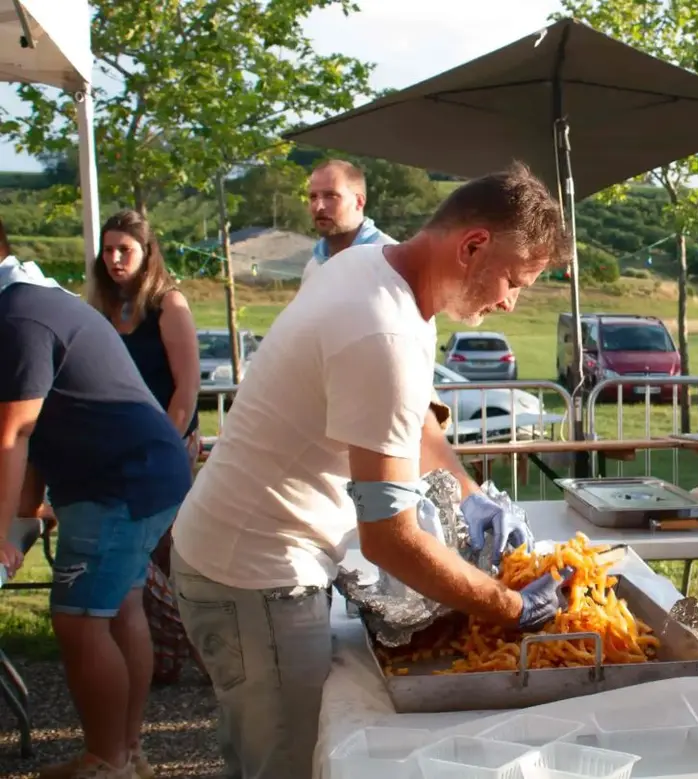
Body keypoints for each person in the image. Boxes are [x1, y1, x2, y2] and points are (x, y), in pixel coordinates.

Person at [170, 162, 572, 778]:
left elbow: (414, 420)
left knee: (260, 750)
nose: (509, 301)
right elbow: (391, 539)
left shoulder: (380, 267)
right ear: (472, 247)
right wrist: (508, 608)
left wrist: (470, 495)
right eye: (515, 281)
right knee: (287, 763)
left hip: (242, 555)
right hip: (252, 571)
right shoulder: (379, 329)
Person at [0, 219, 193, 779]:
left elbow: (13, 433)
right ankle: (126, 754)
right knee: (117, 608)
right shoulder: (32, 301)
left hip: (120, 482)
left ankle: (106, 760)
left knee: (81, 621)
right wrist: (25, 508)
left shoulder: (19, 316)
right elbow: (39, 425)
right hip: (140, 474)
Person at [90, 209, 203, 690]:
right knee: (146, 557)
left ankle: (200, 650)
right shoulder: (99, 305)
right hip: (119, 448)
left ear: (146, 253)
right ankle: (163, 656)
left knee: (168, 552)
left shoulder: (167, 304)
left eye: (125, 250)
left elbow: (187, 387)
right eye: (109, 249)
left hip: (165, 445)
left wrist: (168, 446)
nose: (116, 259)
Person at [301, 159, 397, 285]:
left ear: (359, 202)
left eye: (331, 196)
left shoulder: (392, 261)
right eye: (313, 197)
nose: (319, 206)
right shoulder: (313, 267)